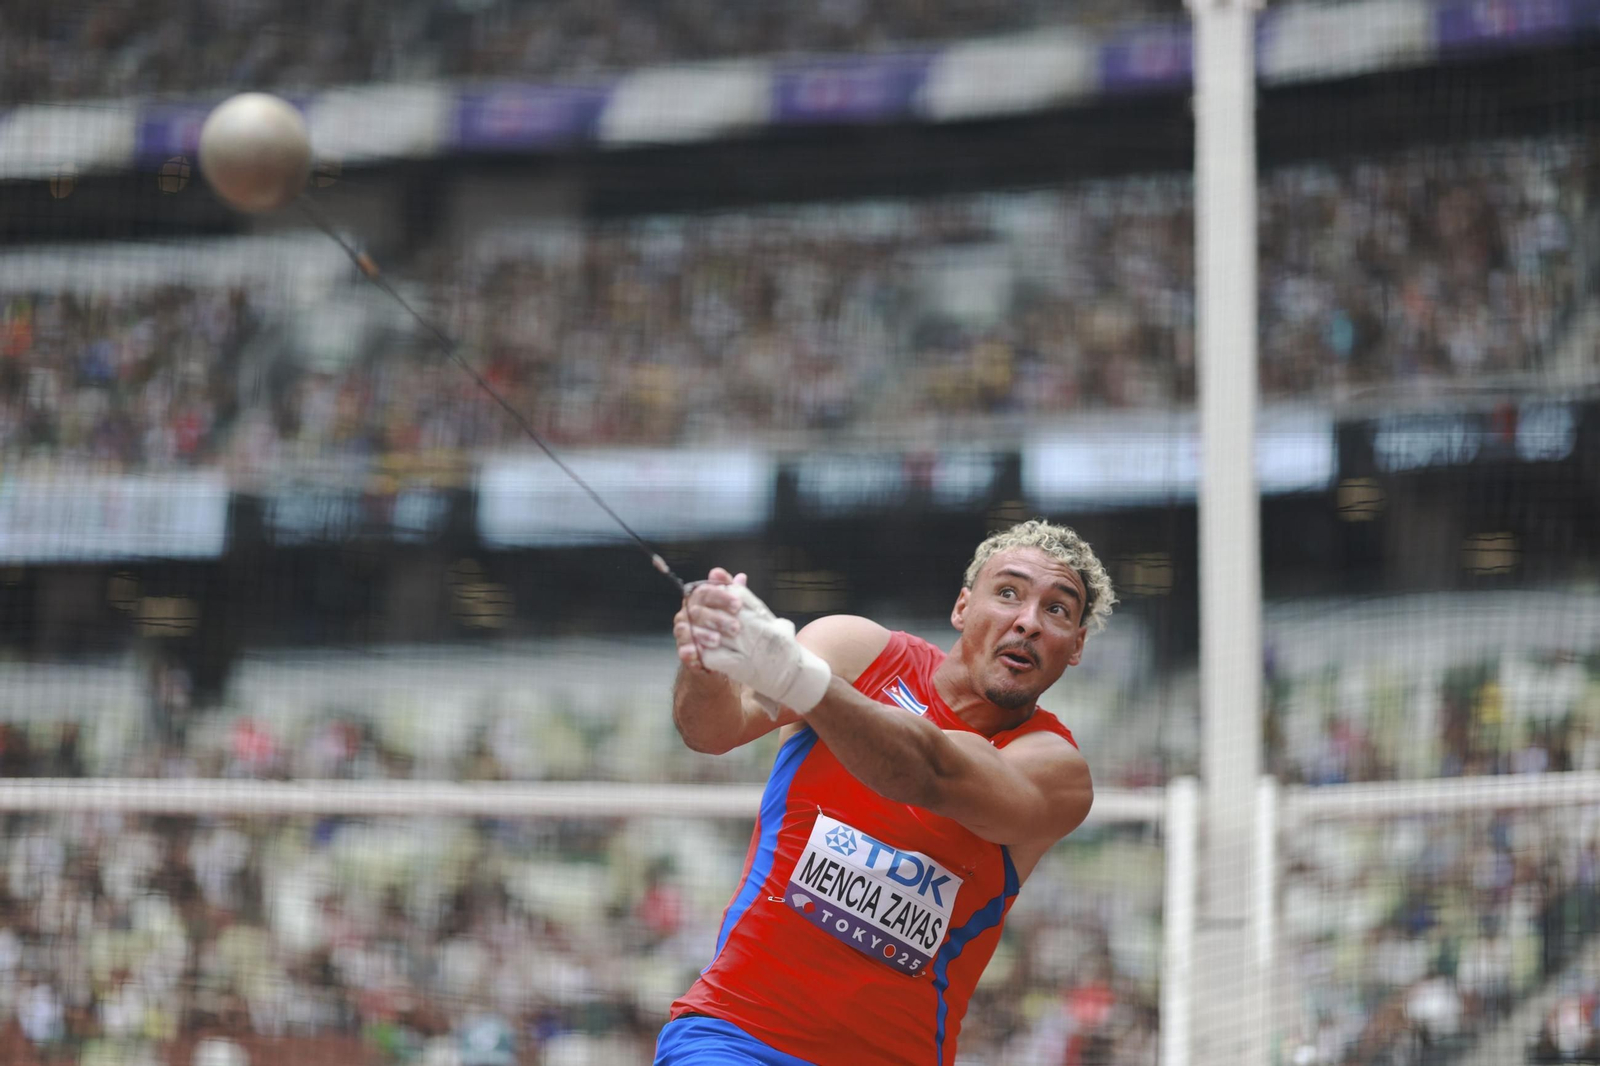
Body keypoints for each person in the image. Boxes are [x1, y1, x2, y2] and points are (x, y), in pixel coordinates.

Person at [657, 519, 1111, 1065]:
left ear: (1077, 644)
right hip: (735, 1034)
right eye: (1008, 593)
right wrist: (705, 665)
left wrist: (798, 678)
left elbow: (930, 772)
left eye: (1057, 610)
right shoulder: (855, 650)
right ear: (963, 608)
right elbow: (711, 731)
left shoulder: (1056, 769)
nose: (1028, 622)